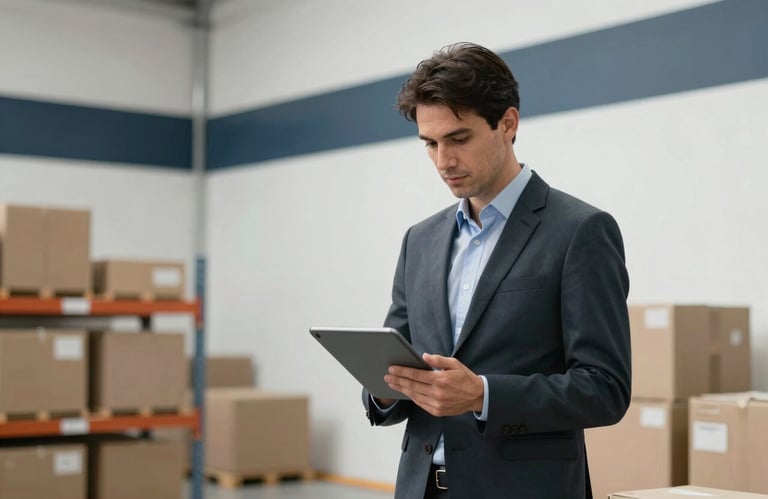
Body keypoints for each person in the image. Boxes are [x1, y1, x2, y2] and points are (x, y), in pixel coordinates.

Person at [361, 42, 631, 499]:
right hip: (421, 487)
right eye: (430, 143)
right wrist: (385, 392)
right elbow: (397, 360)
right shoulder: (420, 241)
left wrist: (484, 394)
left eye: (458, 138)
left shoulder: (579, 231)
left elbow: (604, 389)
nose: (443, 161)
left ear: (508, 123)